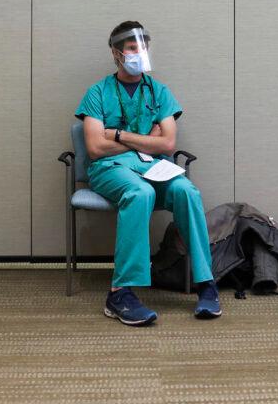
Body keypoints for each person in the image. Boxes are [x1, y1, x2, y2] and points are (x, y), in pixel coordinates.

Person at [75, 20, 221, 326]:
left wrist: (117, 135)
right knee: (140, 193)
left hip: (152, 166)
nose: (138, 53)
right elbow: (94, 148)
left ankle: (206, 284)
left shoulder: (159, 91)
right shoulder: (97, 93)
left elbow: (167, 142)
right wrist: (147, 140)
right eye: (131, 48)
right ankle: (120, 294)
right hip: (108, 170)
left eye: (142, 46)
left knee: (187, 192)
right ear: (116, 53)